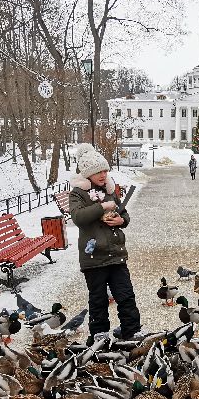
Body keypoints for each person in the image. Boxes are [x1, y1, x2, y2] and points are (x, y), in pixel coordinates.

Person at [68, 144, 141, 342]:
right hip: (94, 257)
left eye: (105, 170)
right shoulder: (78, 193)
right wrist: (102, 207)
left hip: (116, 254)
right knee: (98, 299)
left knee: (125, 294)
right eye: (98, 171)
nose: (103, 174)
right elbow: (78, 217)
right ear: (88, 173)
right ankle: (99, 334)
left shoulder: (108, 189)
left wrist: (121, 220)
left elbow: (123, 213)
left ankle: (132, 330)